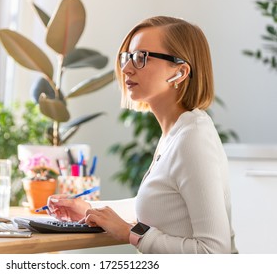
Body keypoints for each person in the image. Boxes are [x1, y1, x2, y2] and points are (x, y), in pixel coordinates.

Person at [47, 16, 238, 254]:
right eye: (127, 57)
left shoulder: (193, 138)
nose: (126, 68)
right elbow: (157, 207)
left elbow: (214, 252)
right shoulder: (176, 132)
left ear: (179, 73)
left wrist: (131, 233)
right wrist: (89, 208)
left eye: (141, 58)